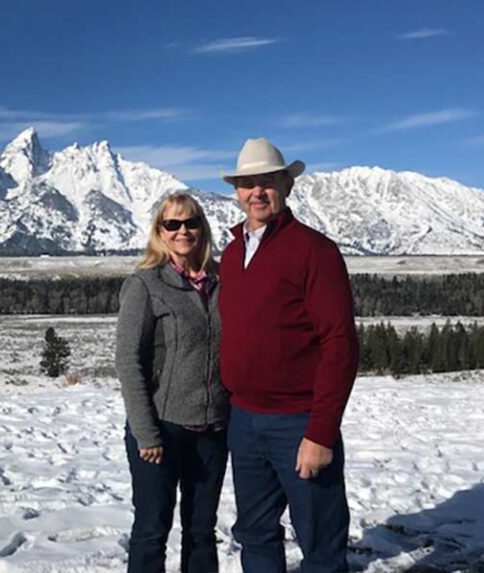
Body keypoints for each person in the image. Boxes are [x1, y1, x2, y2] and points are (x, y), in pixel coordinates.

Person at [217, 138, 360, 573]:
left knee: (320, 541)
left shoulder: (314, 251)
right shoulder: (232, 253)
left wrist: (320, 432)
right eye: (247, 184)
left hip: (298, 422)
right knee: (255, 532)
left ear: (287, 186)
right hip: (244, 421)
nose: (257, 192)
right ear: (237, 191)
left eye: (267, 181)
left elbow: (339, 343)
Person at [115, 192, 230, 573]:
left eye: (191, 222)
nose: (183, 231)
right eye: (173, 224)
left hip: (212, 429)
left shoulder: (223, 280)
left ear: (202, 228)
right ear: (159, 232)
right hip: (162, 428)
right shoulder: (145, 284)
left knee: (201, 531)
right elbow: (128, 361)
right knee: (152, 530)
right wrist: (146, 432)